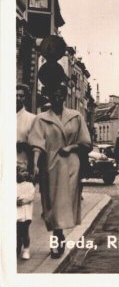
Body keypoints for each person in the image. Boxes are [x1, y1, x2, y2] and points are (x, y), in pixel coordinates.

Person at [29, 83, 91, 258]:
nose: (57, 98)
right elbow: (36, 144)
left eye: (60, 95)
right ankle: (58, 234)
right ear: (50, 97)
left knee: (65, 203)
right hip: (50, 164)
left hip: (71, 164)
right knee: (52, 203)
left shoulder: (76, 116)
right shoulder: (41, 119)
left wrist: (71, 148)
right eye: (54, 95)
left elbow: (86, 142)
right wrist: (34, 164)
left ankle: (57, 238)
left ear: (64, 97)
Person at [16, 83, 36, 259]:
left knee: (23, 212)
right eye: (15, 95)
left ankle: (24, 245)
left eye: (21, 95)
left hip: (23, 170)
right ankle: (14, 244)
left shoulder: (31, 119)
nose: (18, 98)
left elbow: (36, 146)